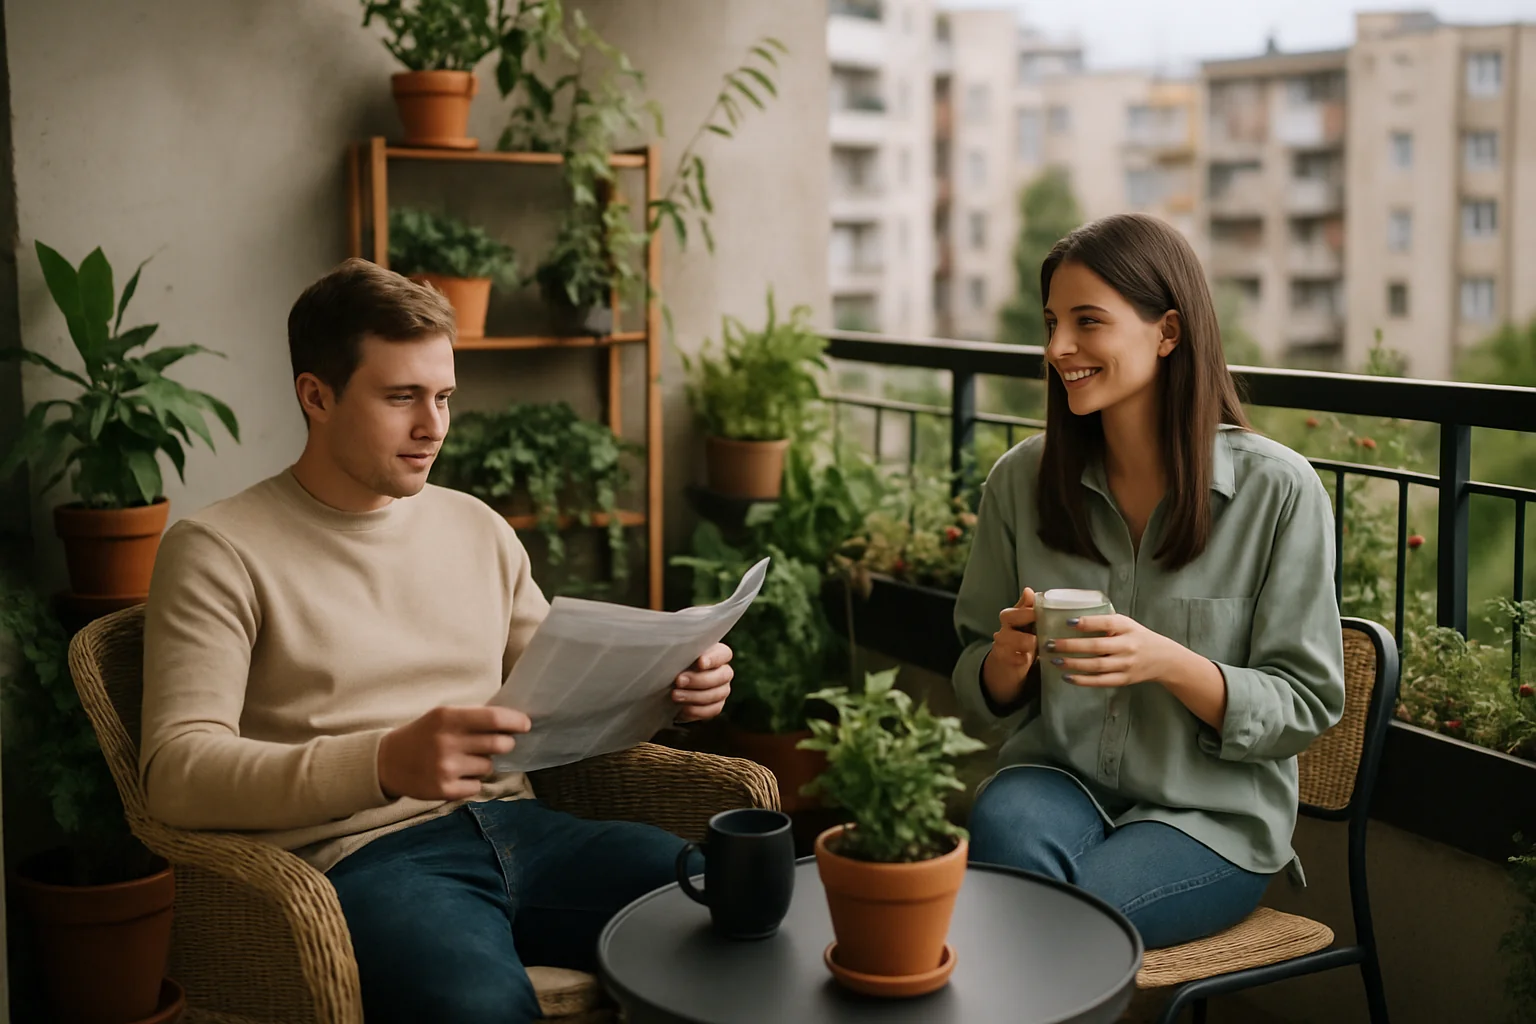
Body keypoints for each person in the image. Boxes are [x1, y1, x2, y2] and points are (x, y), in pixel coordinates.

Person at [140, 258, 734, 1023]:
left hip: (525, 829)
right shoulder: (217, 550)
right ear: (315, 396)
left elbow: (563, 686)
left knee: (735, 903)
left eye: (445, 396)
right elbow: (178, 773)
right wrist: (384, 761)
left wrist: (674, 689)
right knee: (476, 1007)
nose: (434, 427)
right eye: (402, 398)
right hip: (367, 860)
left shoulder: (475, 526)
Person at [952, 213, 1346, 950]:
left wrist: (1168, 663)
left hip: (1211, 818)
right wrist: (1003, 665)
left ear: (1167, 332)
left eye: (1087, 322)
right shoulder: (1020, 483)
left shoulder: (1279, 493)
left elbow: (1307, 701)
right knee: (1002, 837)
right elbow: (974, 674)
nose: (1056, 348)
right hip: (1056, 779)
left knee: (1061, 927)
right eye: (1051, 323)